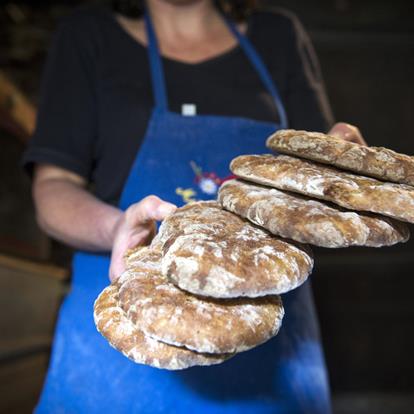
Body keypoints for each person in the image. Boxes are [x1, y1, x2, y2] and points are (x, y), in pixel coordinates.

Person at [23, 0, 366, 412]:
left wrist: (336, 173)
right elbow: (55, 186)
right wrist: (117, 228)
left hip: (265, 330)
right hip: (124, 334)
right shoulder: (89, 35)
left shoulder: (278, 35)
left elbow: (305, 172)